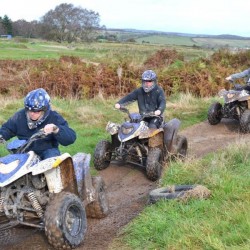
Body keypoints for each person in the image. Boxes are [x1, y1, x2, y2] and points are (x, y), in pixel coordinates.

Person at [0, 88, 76, 159]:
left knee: (52, 157)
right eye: (30, 110)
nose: (32, 114)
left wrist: (56, 129)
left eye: (36, 111)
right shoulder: (20, 116)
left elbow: (70, 138)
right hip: (24, 152)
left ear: (44, 109)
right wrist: (1, 135)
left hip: (47, 151)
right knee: (7, 164)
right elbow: (7, 129)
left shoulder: (54, 117)